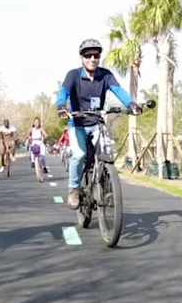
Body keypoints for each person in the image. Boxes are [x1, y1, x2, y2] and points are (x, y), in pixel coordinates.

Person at [55, 38, 141, 209]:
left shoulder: (105, 75)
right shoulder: (73, 75)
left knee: (106, 152)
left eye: (96, 55)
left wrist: (131, 104)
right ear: (82, 58)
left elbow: (118, 90)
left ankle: (107, 183)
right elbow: (63, 92)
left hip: (97, 123)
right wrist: (61, 106)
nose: (93, 59)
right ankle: (74, 189)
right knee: (79, 156)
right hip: (77, 123)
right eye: (88, 55)